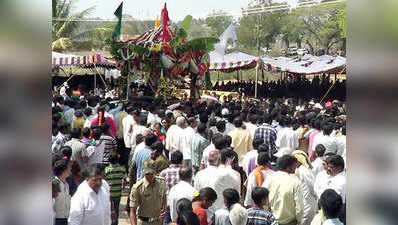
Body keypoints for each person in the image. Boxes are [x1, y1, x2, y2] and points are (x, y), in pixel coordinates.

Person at [262, 155, 304, 225]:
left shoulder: (269, 179)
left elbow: (262, 198)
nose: (295, 169)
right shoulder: (295, 182)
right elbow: (299, 208)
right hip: (289, 222)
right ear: (288, 167)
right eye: (294, 166)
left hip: (271, 221)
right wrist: (299, 221)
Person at [129, 160, 167, 225]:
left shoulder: (161, 183)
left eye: (151, 173)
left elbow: (164, 200)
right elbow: (132, 211)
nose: (149, 176)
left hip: (158, 222)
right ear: (143, 173)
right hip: (143, 222)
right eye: (147, 174)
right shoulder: (137, 188)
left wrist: (164, 211)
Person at [210, 149, 241, 217]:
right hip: (229, 213)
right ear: (231, 160)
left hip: (211, 212)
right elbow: (237, 194)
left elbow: (197, 193)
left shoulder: (207, 173)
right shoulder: (235, 174)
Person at [292, 150, 317, 225]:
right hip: (304, 199)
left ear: (298, 161)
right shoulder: (300, 170)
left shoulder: (304, 171)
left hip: (308, 200)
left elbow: (311, 185)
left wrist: (314, 196)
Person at [104, 153, 126, 225]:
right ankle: (115, 223)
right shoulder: (122, 169)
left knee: (108, 210)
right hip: (118, 193)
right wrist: (123, 187)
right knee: (116, 210)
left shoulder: (106, 170)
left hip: (109, 194)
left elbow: (104, 181)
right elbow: (125, 180)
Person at [53, 160, 71, 225]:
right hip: (56, 220)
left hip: (66, 219)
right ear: (63, 171)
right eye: (68, 169)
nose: (70, 170)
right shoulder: (54, 184)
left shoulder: (66, 185)